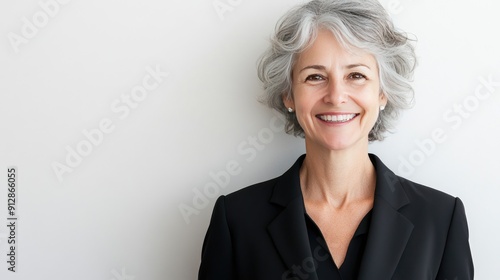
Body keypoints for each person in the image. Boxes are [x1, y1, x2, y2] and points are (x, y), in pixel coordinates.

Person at [198, 0, 474, 279]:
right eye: (315, 76)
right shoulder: (236, 220)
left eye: (356, 75)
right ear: (289, 94)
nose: (336, 96)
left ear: (382, 92)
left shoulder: (440, 218)